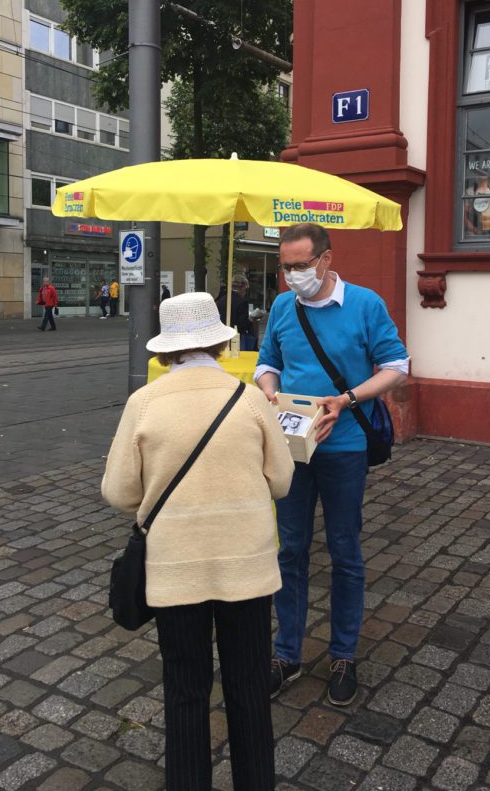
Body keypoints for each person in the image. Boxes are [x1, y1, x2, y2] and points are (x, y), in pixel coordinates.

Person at [102, 292, 294, 791]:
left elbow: (119, 491)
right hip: (248, 568)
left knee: (185, 691)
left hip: (175, 571)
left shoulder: (144, 403)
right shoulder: (249, 397)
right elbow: (281, 481)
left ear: (165, 351)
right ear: (221, 340)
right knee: (249, 689)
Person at [255, 223, 409, 706]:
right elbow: (267, 362)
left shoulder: (364, 304)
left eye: (301, 265)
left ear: (325, 260)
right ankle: (287, 654)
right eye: (286, 267)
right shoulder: (283, 306)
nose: (293, 275)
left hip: (343, 447)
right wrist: (270, 393)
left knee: (345, 552)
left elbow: (397, 367)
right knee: (290, 551)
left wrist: (346, 399)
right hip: (293, 446)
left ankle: (343, 654)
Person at [216, 274, 255, 350]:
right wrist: (250, 321)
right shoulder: (242, 302)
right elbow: (243, 323)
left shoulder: (222, 299)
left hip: (223, 335)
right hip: (236, 336)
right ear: (242, 287)